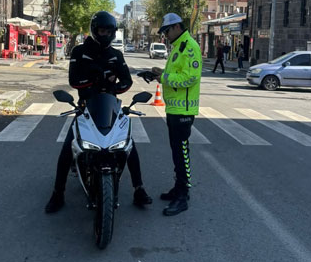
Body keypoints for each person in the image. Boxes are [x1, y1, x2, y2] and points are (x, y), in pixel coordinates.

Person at [45, 11, 152, 213]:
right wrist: (96, 80)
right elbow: (74, 81)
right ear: (95, 30)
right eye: (102, 30)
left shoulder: (116, 55)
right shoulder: (80, 52)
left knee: (129, 145)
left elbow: (127, 81)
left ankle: (139, 189)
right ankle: (57, 194)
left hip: (111, 106)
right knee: (68, 147)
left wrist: (111, 87)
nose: (105, 34)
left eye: (109, 31)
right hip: (86, 107)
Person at [150, 13, 202, 216]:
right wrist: (158, 74)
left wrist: (164, 77)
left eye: (167, 31)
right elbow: (175, 74)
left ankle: (183, 195)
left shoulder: (190, 47)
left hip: (184, 110)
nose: (165, 35)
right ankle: (178, 188)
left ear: (177, 27)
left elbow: (190, 78)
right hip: (173, 109)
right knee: (177, 153)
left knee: (182, 154)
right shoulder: (177, 46)